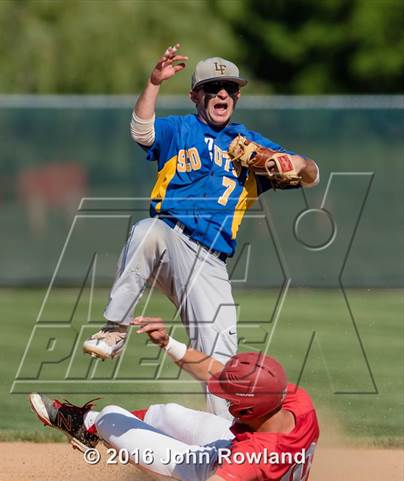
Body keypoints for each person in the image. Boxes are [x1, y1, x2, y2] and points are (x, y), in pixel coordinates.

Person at [82, 44, 320, 418]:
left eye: (229, 87)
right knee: (149, 231)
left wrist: (292, 161)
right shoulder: (180, 129)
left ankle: (225, 446)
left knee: (224, 369)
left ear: (237, 96)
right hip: (170, 240)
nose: (221, 93)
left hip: (210, 262)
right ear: (196, 95)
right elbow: (142, 132)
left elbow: (311, 175)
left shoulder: (251, 144)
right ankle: (115, 328)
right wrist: (153, 83)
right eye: (212, 87)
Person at [30, 316, 319, 481]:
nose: (226, 399)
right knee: (166, 413)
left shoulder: (255, 455)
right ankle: (93, 430)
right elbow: (218, 373)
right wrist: (169, 343)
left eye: (231, 399)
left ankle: (88, 425)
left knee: (111, 417)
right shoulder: (295, 403)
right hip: (245, 463)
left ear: (248, 410)